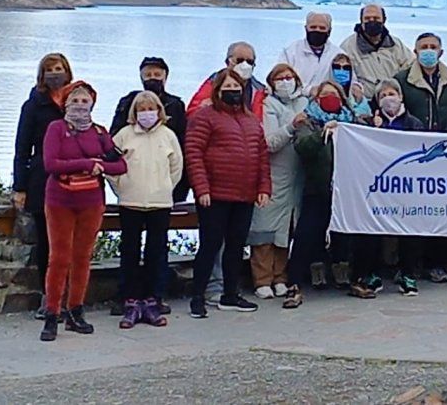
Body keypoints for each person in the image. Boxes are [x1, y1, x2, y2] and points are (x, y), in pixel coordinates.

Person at [40, 81, 127, 341]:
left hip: (91, 201)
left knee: (82, 257)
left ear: (92, 103)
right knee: (59, 258)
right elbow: (51, 164)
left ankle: (76, 309)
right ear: (65, 103)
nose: (80, 105)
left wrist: (100, 166)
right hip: (60, 201)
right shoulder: (55, 129)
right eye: (75, 100)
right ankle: (52, 313)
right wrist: (88, 163)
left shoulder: (100, 133)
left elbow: (120, 165)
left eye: (84, 101)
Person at [186, 68, 272, 319]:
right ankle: (198, 297)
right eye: (228, 87)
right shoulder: (205, 117)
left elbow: (262, 157)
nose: (233, 91)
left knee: (236, 246)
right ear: (218, 90)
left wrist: (263, 188)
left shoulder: (251, 120)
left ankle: (230, 294)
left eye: (237, 87)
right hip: (214, 194)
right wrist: (201, 188)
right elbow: (194, 154)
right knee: (210, 245)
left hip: (244, 194)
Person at [110, 91, 183, 329]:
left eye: (151, 108)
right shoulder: (124, 135)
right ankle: (129, 299)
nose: (147, 113)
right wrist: (122, 187)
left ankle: (154, 298)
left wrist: (164, 188)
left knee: (156, 251)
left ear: (159, 111)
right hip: (130, 201)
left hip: (160, 203)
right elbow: (111, 164)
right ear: (135, 112)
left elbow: (176, 167)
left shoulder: (168, 135)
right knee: (130, 251)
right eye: (142, 109)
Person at [395, 33, 447, 284]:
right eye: (423, 47)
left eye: (433, 47)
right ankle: (408, 267)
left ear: (441, 52)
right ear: (414, 52)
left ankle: (437, 264)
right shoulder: (402, 80)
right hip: (413, 156)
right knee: (412, 212)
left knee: (439, 210)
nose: (428, 51)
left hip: (443, 158)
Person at [282, 81, 356, 309]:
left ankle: (350, 276)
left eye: (335, 94)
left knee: (348, 235)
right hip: (317, 187)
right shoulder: (308, 122)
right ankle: (294, 282)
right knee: (306, 235)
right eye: (325, 95)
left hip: (347, 192)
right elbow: (302, 146)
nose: (330, 97)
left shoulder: (353, 124)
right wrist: (323, 133)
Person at [13, 53, 73, 321]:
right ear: (42, 74)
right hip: (42, 179)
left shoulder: (77, 101)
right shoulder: (33, 105)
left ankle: (71, 298)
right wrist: (20, 186)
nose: (55, 74)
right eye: (49, 70)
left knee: (71, 243)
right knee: (47, 243)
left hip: (74, 179)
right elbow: (22, 148)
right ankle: (49, 298)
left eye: (59, 69)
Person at [248, 64, 308, 300]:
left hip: (298, 176)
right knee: (264, 228)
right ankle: (261, 278)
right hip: (274, 174)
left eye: (289, 77)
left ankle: (280, 277)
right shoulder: (268, 104)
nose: (285, 81)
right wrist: (292, 126)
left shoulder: (304, 103)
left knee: (287, 229)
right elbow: (270, 142)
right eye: (280, 78)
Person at [368, 79, 425, 296]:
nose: (388, 98)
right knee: (372, 228)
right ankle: (371, 273)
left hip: (407, 186)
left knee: (409, 231)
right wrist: (375, 129)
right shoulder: (370, 123)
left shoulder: (414, 123)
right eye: (382, 96)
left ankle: (408, 274)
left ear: (401, 96)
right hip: (378, 187)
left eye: (392, 93)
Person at [111, 56, 188, 202]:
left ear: (165, 77)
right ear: (141, 78)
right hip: (133, 181)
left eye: (157, 75)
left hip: (165, 179)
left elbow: (182, 145)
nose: (153, 78)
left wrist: (173, 186)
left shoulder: (175, 105)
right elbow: (113, 142)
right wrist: (121, 185)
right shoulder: (127, 102)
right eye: (148, 75)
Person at [340, 3, 414, 99]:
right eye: (367, 18)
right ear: (361, 21)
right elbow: (343, 76)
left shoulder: (395, 44)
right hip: (365, 102)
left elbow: (410, 65)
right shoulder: (348, 47)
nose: (372, 21)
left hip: (394, 100)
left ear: (384, 20)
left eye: (376, 18)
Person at [187, 41, 266, 120]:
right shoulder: (213, 83)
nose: (245, 65)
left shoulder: (259, 90)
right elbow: (192, 114)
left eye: (249, 62)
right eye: (239, 60)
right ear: (228, 62)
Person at [277, 12, 341, 94]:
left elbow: (347, 83)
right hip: (294, 102)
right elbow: (280, 81)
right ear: (306, 29)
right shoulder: (290, 52)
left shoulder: (338, 54)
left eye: (322, 28)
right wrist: (309, 90)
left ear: (329, 31)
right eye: (313, 27)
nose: (317, 30)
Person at [330, 52, 373, 121]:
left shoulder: (359, 97)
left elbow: (366, 115)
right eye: (337, 67)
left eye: (346, 68)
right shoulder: (324, 93)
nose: (341, 70)